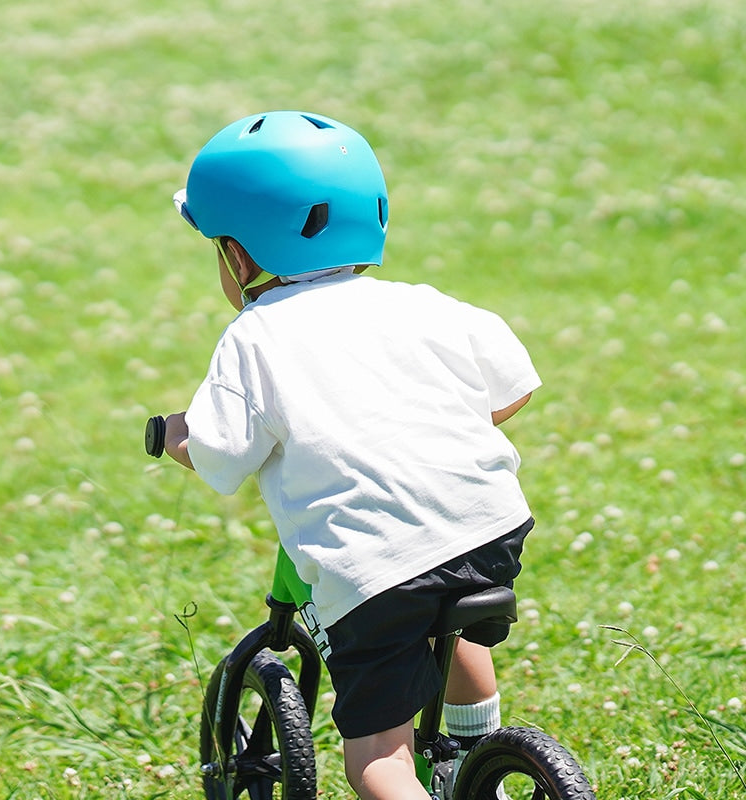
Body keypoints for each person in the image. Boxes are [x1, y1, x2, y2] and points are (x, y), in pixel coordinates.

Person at [161, 110, 541, 800]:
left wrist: (174, 436)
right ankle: (472, 762)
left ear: (240, 257)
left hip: (375, 566)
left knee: (375, 760)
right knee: (460, 634)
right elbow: (510, 391)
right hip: (491, 529)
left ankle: (416, 776)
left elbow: (222, 455)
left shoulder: (255, 338)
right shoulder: (425, 305)